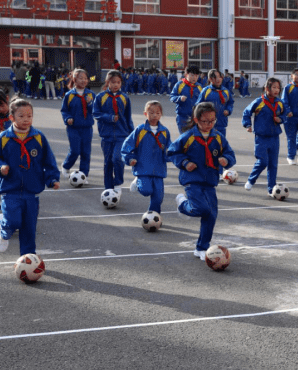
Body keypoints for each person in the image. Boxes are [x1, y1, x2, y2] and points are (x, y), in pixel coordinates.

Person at [0, 98, 60, 254]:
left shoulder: (38, 138)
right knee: (13, 219)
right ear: (12, 117)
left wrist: (52, 179)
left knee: (29, 227)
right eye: (21, 116)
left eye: (29, 116)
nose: (26, 119)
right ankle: (4, 230)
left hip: (31, 189)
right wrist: (1, 167)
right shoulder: (4, 138)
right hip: (10, 188)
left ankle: (28, 257)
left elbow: (49, 161)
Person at [169, 102, 236, 260]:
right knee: (201, 208)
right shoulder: (188, 137)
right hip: (192, 179)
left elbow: (230, 154)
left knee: (211, 214)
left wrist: (226, 160)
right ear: (196, 120)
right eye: (205, 121)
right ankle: (182, 204)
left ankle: (201, 247)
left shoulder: (218, 137)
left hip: (210, 180)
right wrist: (185, 163)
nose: (209, 124)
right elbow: (172, 152)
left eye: (212, 120)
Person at [122, 100, 171, 218]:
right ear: (145, 114)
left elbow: (170, 148)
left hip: (159, 169)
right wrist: (130, 159)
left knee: (158, 196)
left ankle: (154, 216)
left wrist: (173, 156)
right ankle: (137, 182)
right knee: (146, 191)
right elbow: (127, 146)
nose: (155, 115)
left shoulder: (164, 131)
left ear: (161, 114)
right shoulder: (140, 130)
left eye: (158, 113)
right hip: (143, 168)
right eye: (151, 112)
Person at [243, 77, 285, 196]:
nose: (276, 90)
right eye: (274, 87)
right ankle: (251, 179)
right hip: (261, 137)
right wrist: (247, 124)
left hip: (274, 137)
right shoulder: (258, 102)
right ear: (267, 88)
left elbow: (285, 114)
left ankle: (271, 189)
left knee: (273, 164)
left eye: (278, 88)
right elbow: (246, 112)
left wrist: (280, 119)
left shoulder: (280, 103)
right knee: (262, 161)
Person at [93, 70, 133, 193]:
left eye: (118, 82)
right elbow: (96, 113)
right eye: (113, 82)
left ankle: (118, 183)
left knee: (117, 159)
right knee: (108, 163)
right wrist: (109, 118)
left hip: (122, 135)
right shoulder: (100, 97)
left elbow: (128, 118)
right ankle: (108, 189)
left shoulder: (124, 97)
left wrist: (133, 135)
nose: (116, 85)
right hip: (107, 136)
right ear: (107, 82)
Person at [60, 68, 95, 178]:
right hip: (73, 128)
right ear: (74, 80)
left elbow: (94, 110)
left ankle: (84, 175)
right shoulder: (69, 95)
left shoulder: (91, 94)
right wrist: (68, 118)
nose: (83, 80)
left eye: (85, 78)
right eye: (81, 78)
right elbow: (64, 110)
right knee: (75, 150)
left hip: (87, 128)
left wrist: (90, 104)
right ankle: (66, 166)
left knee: (86, 153)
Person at [199, 69, 233, 137]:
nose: (218, 79)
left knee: (221, 144)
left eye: (219, 77)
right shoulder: (206, 91)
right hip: (207, 124)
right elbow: (198, 105)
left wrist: (228, 110)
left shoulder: (226, 91)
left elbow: (230, 103)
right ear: (210, 79)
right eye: (214, 77)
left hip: (221, 123)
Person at [170, 65, 201, 133]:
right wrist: (179, 98)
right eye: (192, 75)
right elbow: (172, 97)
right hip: (182, 117)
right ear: (186, 74)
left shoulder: (199, 87)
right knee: (184, 138)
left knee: (195, 138)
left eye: (196, 76)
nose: (194, 78)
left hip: (196, 117)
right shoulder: (180, 85)